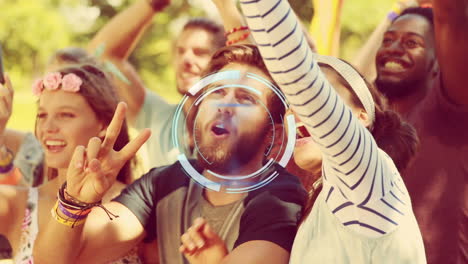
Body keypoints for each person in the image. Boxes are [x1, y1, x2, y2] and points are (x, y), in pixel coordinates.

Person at [34, 44, 307, 264]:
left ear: (275, 134)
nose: (225, 105)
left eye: (245, 99)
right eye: (218, 92)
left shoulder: (280, 195)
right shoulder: (164, 182)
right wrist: (74, 202)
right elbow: (56, 260)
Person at [232, 0, 425, 262]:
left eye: (313, 102)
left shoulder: (369, 178)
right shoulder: (321, 203)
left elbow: (297, 76)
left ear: (361, 118)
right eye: (291, 105)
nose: (295, 110)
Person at [0, 64, 150, 263]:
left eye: (66, 115)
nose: (48, 127)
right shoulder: (17, 203)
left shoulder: (141, 208)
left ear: (103, 125)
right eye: (42, 115)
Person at [374, 3, 468, 263]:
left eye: (411, 42)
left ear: (439, 61)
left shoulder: (450, 109)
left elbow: (450, 16)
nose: (393, 49)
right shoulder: (367, 122)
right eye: (388, 40)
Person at [88, 0, 226, 168]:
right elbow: (101, 55)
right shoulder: (157, 116)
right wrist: (153, 4)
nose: (186, 59)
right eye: (180, 51)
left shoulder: (236, 125)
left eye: (200, 52)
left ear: (225, 62)